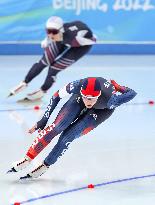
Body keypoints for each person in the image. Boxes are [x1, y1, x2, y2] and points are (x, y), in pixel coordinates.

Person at [7, 77, 137, 179]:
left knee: (68, 137)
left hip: (102, 110)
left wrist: (119, 87)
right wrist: (44, 119)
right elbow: (56, 96)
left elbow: (132, 93)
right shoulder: (77, 85)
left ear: (98, 95)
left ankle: (45, 166)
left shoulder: (111, 99)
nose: (89, 102)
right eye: (86, 97)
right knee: (56, 127)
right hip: (77, 99)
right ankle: (26, 159)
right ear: (81, 92)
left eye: (92, 98)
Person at [8, 16, 96, 100]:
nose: (51, 35)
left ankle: (42, 91)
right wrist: (46, 40)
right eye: (48, 31)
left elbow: (93, 40)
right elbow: (52, 33)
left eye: (54, 32)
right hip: (63, 39)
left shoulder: (76, 38)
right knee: (43, 62)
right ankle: (24, 83)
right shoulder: (57, 32)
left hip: (81, 47)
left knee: (53, 68)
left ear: (60, 30)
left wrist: (91, 39)